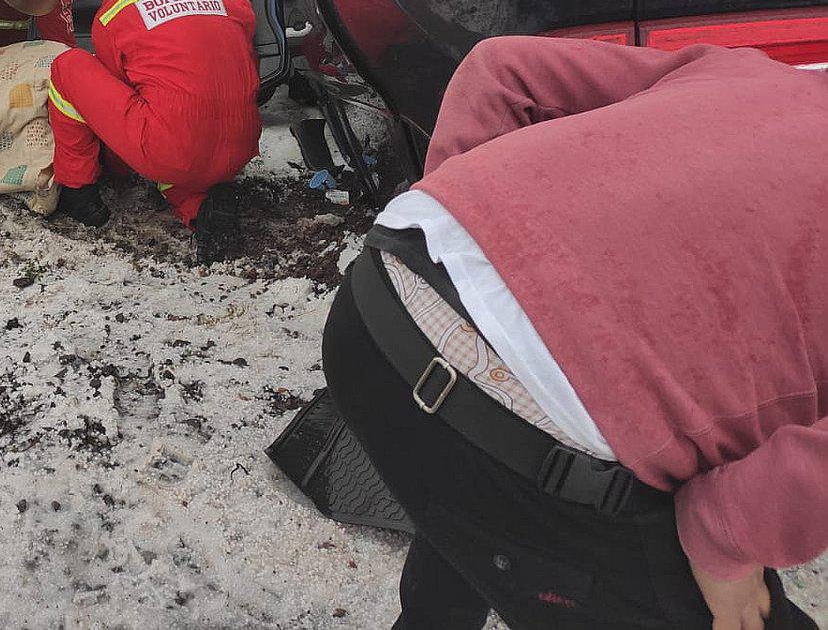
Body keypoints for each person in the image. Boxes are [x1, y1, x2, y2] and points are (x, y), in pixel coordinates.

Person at [323, 35, 828, 630]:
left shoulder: (757, 75)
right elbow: (771, 494)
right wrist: (727, 538)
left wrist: (481, 263)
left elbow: (497, 72)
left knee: (480, 492)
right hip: (530, 433)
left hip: (377, 302)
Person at [46, 0, 260, 258]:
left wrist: (119, 168)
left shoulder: (115, 13)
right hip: (240, 144)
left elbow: (120, 98)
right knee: (178, 146)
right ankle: (203, 211)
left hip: (174, 150)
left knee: (68, 67)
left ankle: (78, 192)